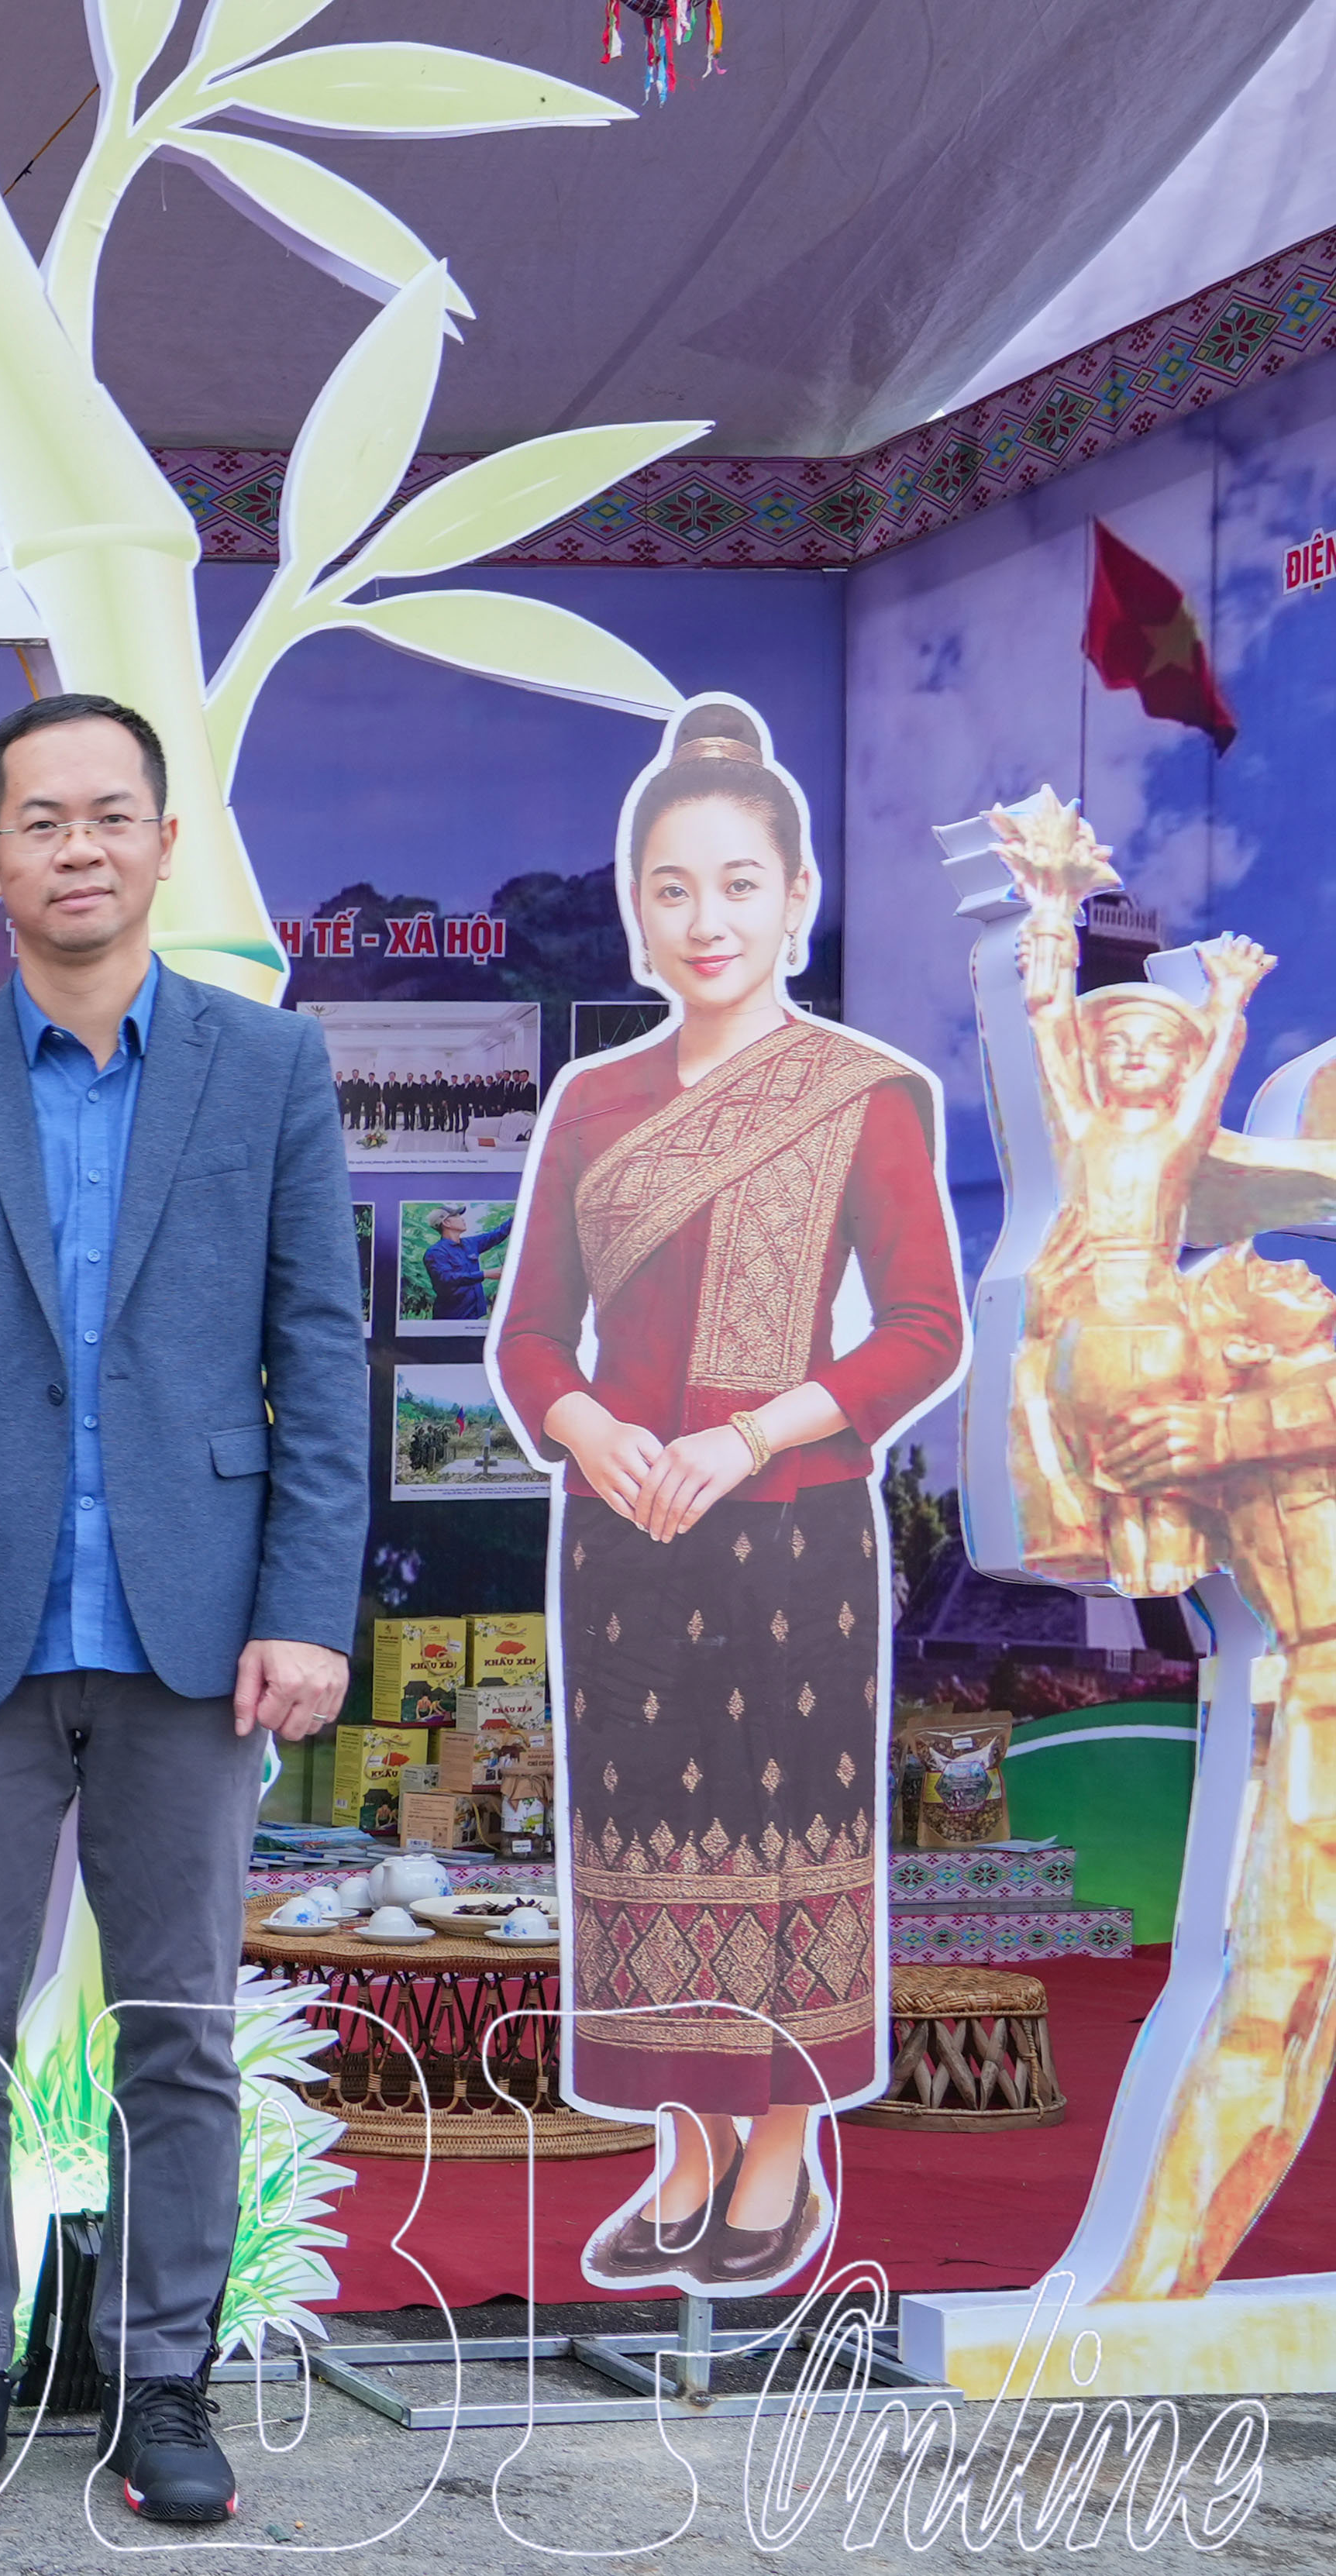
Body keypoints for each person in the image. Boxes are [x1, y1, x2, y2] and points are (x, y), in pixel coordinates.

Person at [0, 694, 364, 2532]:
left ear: (161, 839)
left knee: (180, 2023)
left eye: (109, 814)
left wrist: (306, 1606)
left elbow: (320, 1354)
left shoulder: (266, 1068)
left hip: (193, 1632)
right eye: (39, 820)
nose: (77, 847)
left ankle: (161, 2380)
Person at [492, 700, 962, 2302]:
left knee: (780, 1833)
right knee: (642, 1831)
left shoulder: (862, 1091)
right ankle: (682, 2153)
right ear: (637, 909)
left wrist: (753, 1434)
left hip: (793, 1531)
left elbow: (923, 1329)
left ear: (797, 895)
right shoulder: (593, 1102)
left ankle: (778, 2148)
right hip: (623, 1532)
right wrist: (584, 1427)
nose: (707, 920)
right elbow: (530, 1333)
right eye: (673, 888)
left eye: (739, 884)